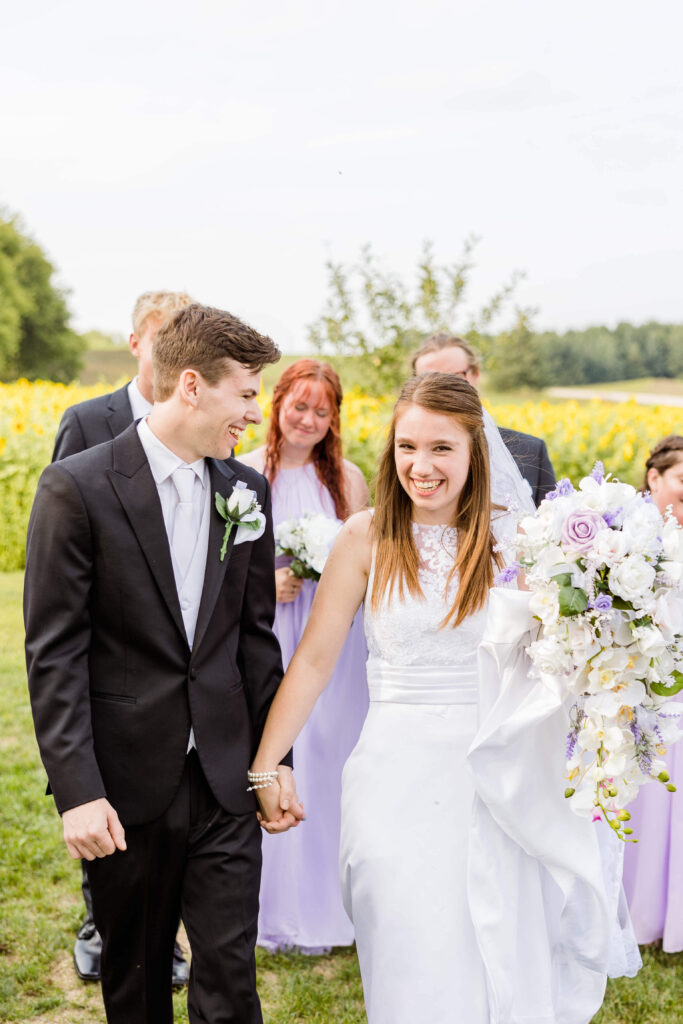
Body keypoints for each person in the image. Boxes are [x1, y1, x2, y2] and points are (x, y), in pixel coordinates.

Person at [249, 373, 632, 1023]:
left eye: (440, 449)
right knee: (402, 937)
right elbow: (313, 661)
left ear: (475, 453)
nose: (418, 467)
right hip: (391, 775)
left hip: (492, 776)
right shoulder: (364, 538)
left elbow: (560, 659)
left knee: (485, 946)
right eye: (406, 447)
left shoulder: (520, 541)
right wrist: (266, 764)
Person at [25, 304, 302, 1024]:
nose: (253, 411)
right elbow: (55, 654)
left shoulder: (246, 491)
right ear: (190, 385)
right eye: (244, 393)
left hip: (223, 778)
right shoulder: (77, 488)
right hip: (123, 785)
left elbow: (254, 642)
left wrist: (277, 760)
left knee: (230, 977)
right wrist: (78, 790)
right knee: (139, 980)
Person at [52, 290, 194, 986]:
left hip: (176, 640)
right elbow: (59, 531)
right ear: (136, 341)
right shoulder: (88, 421)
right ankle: (97, 921)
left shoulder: (201, 431)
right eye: (160, 335)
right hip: (110, 636)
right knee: (106, 794)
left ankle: (163, 938)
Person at [239, 358, 369, 952]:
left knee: (327, 755)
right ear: (277, 404)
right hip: (270, 633)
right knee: (276, 752)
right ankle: (273, 907)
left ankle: (329, 903)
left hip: (332, 642)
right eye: (300, 406)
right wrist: (269, 580)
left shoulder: (348, 480)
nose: (310, 420)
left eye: (323, 411)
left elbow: (367, 563)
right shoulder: (241, 476)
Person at [623, 435, 683, 952]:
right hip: (644, 693)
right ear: (655, 478)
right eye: (682, 480)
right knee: (647, 800)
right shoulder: (627, 535)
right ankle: (637, 910)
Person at [413, 332, 556, 505]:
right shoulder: (406, 458)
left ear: (475, 374)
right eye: (428, 379)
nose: (445, 389)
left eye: (454, 377)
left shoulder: (531, 451)